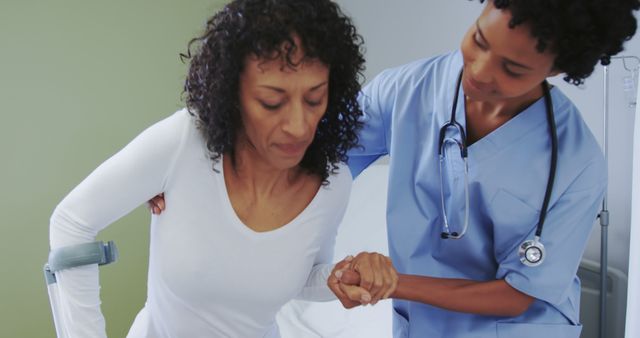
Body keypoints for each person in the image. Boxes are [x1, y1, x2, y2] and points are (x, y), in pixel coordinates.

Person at [47, 0, 397, 337]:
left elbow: (301, 276)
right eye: (271, 102)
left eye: (314, 99)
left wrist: (339, 276)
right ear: (231, 93)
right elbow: (72, 222)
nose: (299, 126)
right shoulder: (185, 143)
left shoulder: (333, 184)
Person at [324, 0, 640, 337]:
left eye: (513, 68)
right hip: (423, 326)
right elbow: (321, 161)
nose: (479, 71)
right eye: (479, 40)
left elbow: (518, 294)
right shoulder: (406, 91)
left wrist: (390, 282)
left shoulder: (578, 163)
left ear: (556, 69)